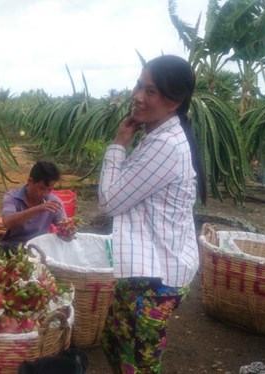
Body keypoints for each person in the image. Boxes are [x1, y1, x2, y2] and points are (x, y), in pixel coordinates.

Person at [97, 55, 206, 374]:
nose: (138, 96)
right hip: (145, 269)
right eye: (138, 86)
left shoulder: (165, 146)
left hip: (156, 279)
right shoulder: (158, 137)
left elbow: (109, 202)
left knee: (137, 363)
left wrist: (118, 145)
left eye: (151, 91)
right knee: (113, 343)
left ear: (173, 102)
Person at [0, 161, 65, 250]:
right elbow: (7, 222)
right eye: (42, 188)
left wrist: (68, 230)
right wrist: (37, 209)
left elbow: (63, 226)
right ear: (30, 181)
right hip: (13, 246)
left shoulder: (54, 202)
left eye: (49, 189)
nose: (45, 193)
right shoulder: (12, 197)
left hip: (39, 248)